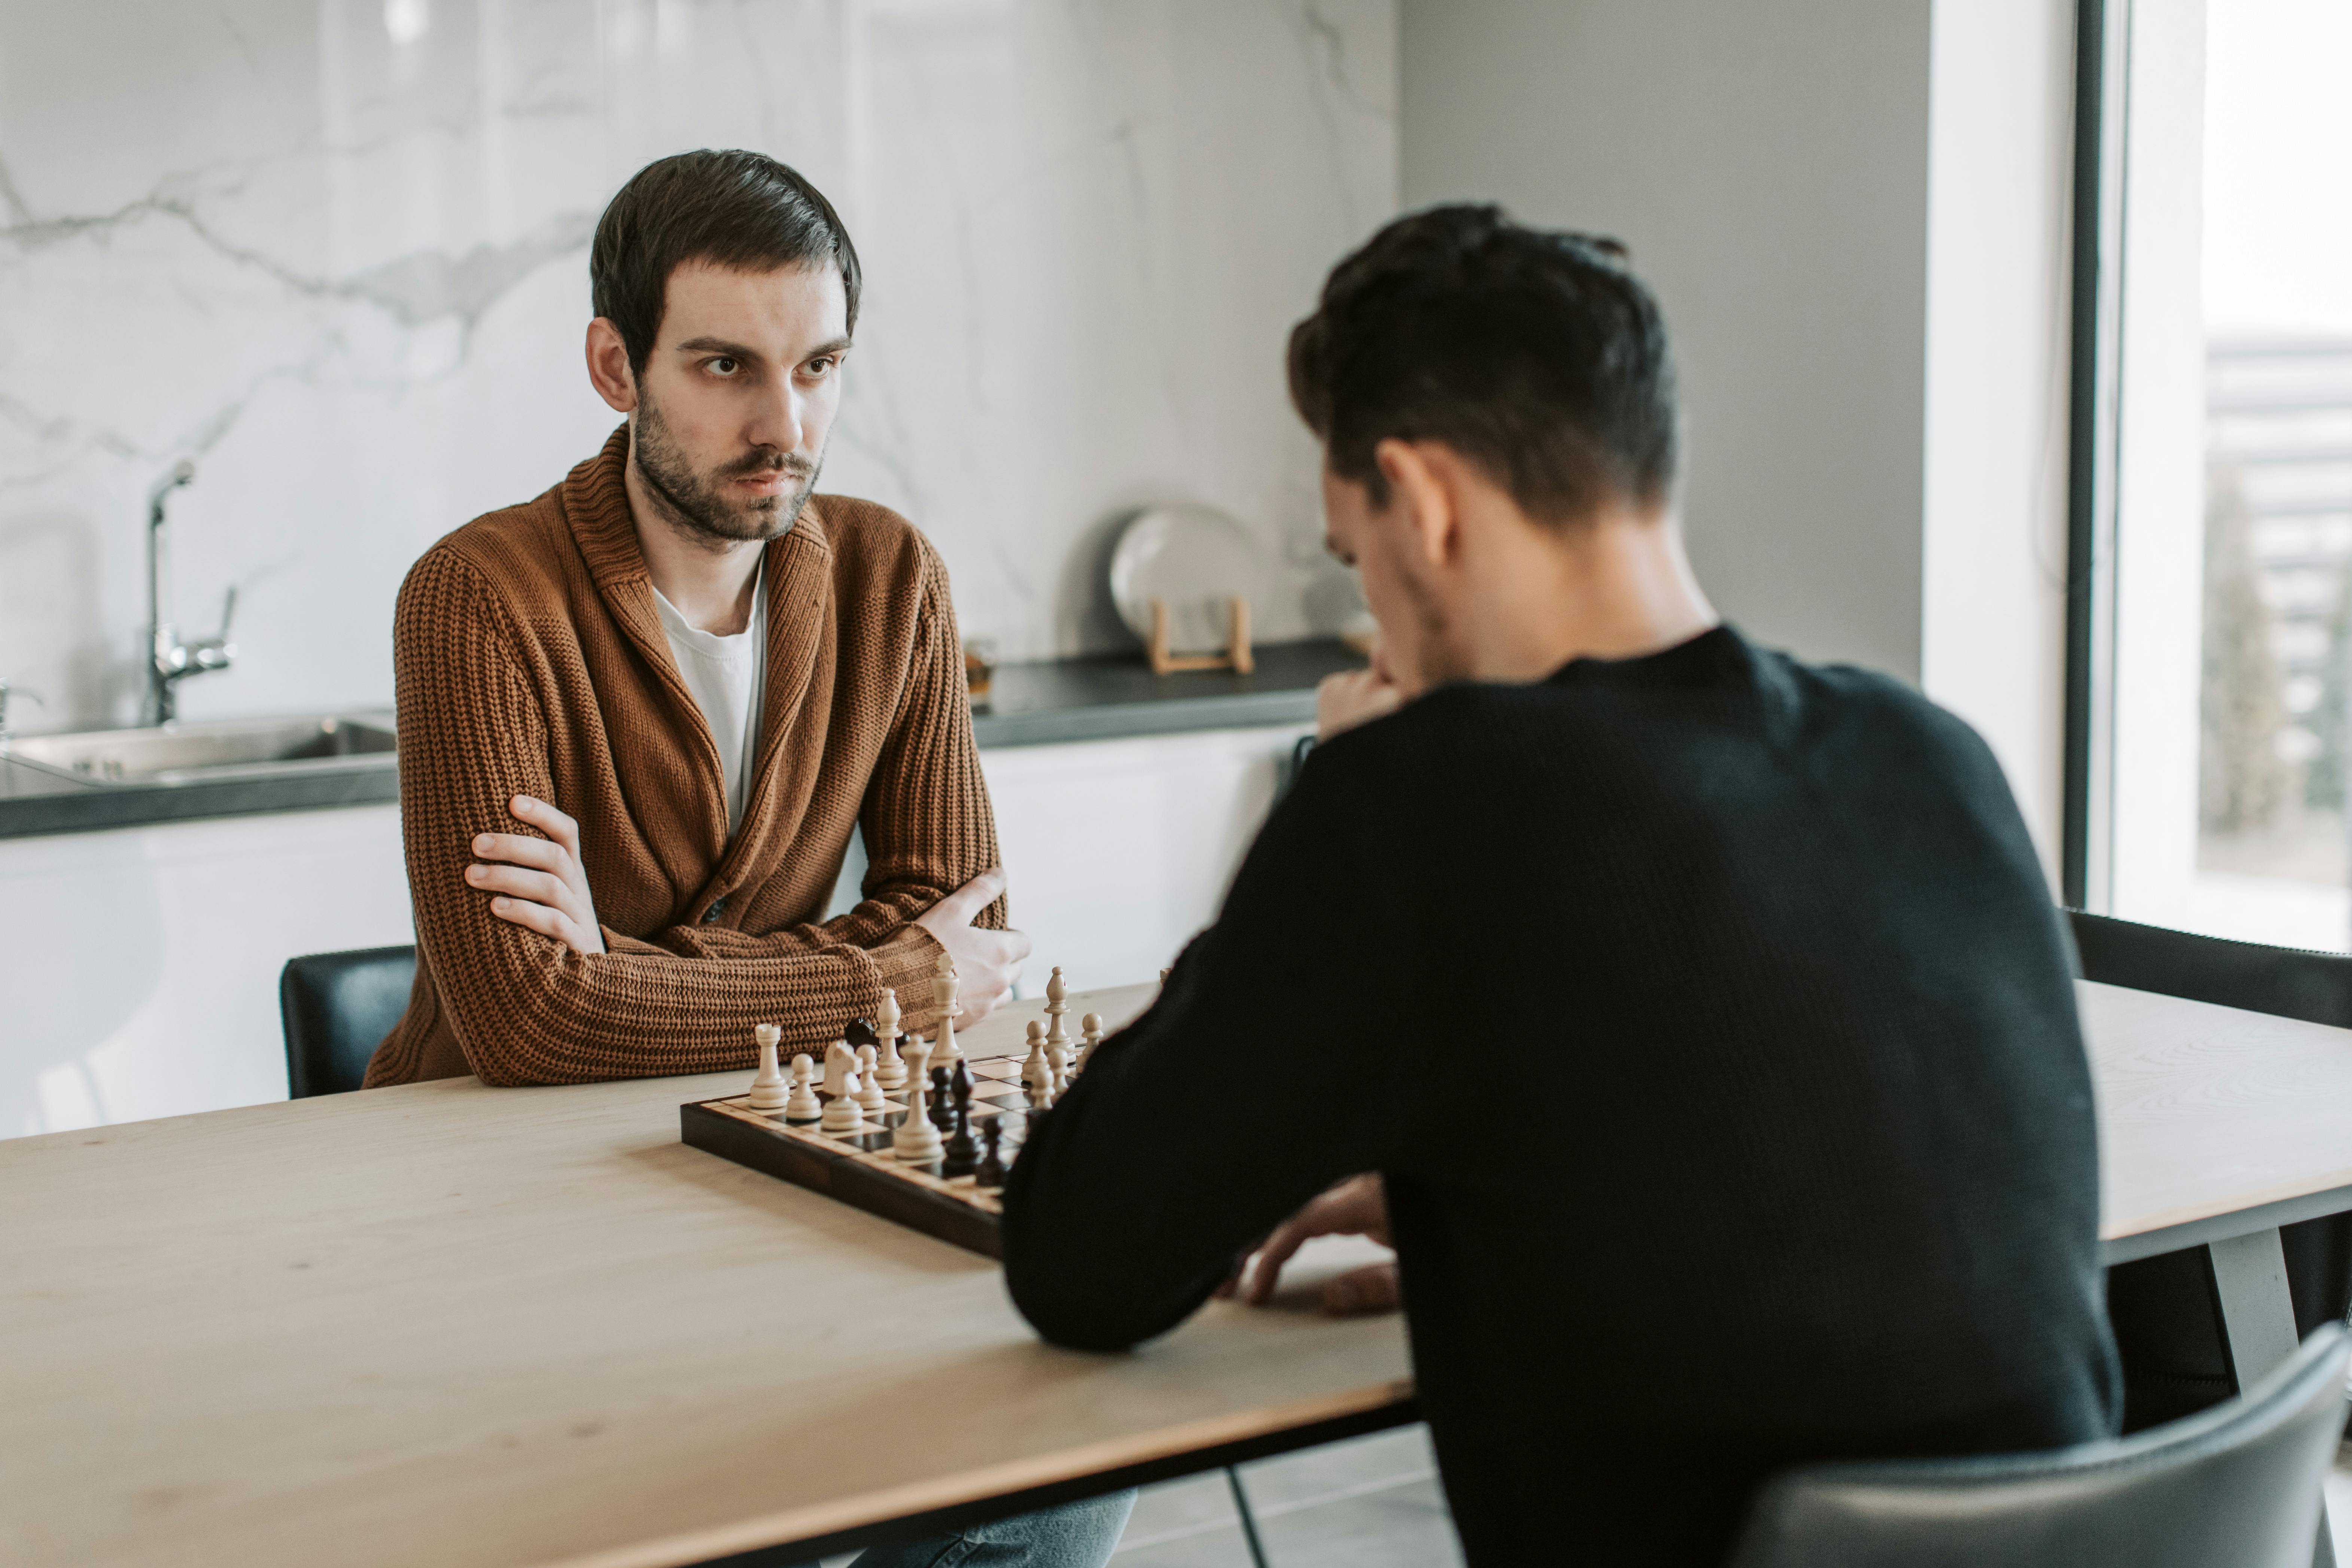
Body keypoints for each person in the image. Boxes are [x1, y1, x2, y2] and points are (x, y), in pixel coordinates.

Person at [1000, 205, 2121, 1567]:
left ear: (1420, 503)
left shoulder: (1422, 799)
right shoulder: (1927, 751)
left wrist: (1328, 802)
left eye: (1355, 558)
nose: (1370, 616)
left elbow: (1077, 1258)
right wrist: (1523, 1190)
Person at [364, 149, 1032, 1090]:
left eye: (818, 368)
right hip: (486, 1162)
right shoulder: (477, 597)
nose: (786, 427)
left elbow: (976, 931)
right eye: (727, 366)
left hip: (759, 1125)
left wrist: (619, 968)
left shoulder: (893, 575)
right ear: (615, 367)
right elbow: (530, 1022)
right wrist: (894, 980)